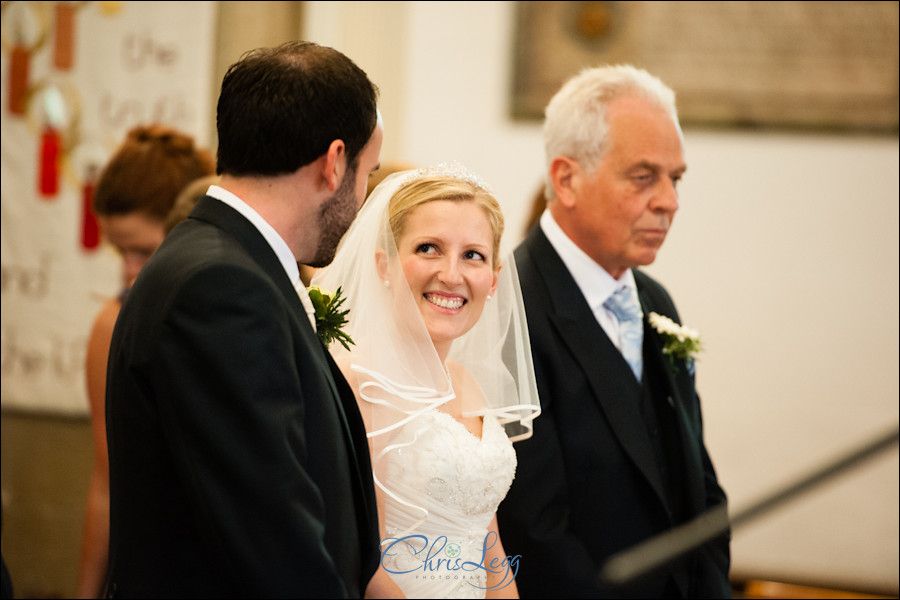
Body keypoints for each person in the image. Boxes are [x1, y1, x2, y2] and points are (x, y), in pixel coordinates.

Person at [103, 41, 383, 597]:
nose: (364, 194)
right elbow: (273, 535)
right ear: (333, 163)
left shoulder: (224, 261)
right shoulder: (221, 288)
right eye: (366, 171)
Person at [496, 65, 731, 598]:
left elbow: (700, 485)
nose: (669, 200)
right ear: (566, 178)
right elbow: (534, 527)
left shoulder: (655, 300)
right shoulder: (510, 306)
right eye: (643, 176)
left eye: (676, 177)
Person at [312, 164, 541, 599]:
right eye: (429, 248)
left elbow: (488, 541)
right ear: (384, 265)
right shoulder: (358, 386)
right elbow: (365, 562)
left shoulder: (467, 383)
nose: (452, 275)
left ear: (493, 281)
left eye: (472, 255)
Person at [77, 125, 215, 599]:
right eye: (120, 251)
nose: (129, 270)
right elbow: (107, 482)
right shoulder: (113, 324)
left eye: (143, 250)